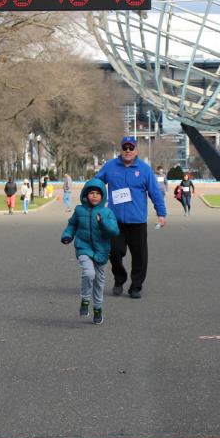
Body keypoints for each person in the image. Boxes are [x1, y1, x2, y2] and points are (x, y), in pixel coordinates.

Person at [95, 135, 167, 299]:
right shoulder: (110, 166)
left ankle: (136, 286)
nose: (128, 151)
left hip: (137, 221)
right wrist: (94, 208)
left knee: (139, 256)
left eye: (131, 148)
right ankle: (119, 280)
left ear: (136, 151)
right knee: (114, 252)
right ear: (121, 150)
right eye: (125, 148)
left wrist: (161, 213)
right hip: (115, 221)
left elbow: (155, 193)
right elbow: (96, 185)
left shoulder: (145, 169)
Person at [61, 178, 120, 325]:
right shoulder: (79, 210)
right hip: (84, 247)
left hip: (101, 250)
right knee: (88, 273)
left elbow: (114, 231)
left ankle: (98, 308)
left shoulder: (107, 212)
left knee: (99, 281)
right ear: (85, 194)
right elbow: (72, 225)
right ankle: (85, 299)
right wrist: (67, 235)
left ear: (103, 196)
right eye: (91, 193)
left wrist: (103, 222)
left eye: (97, 193)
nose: (94, 196)